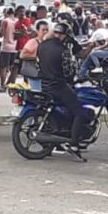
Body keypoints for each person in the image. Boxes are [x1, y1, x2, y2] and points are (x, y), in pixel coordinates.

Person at [38, 22, 88, 156]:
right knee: (79, 111)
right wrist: (75, 76)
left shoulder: (42, 45)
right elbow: (68, 72)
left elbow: (38, 65)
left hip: (44, 85)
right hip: (59, 86)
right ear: (65, 36)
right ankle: (75, 144)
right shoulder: (63, 50)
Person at [18, 19, 49, 90]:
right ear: (37, 31)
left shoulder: (47, 42)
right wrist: (37, 56)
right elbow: (22, 55)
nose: (45, 32)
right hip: (33, 74)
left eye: (47, 30)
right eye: (43, 30)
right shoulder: (33, 42)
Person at [0, 8, 18, 92]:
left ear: (6, 13)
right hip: (16, 47)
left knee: (3, 67)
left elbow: (1, 34)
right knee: (13, 67)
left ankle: (2, 85)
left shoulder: (5, 21)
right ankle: (11, 84)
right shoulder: (17, 21)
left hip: (6, 47)